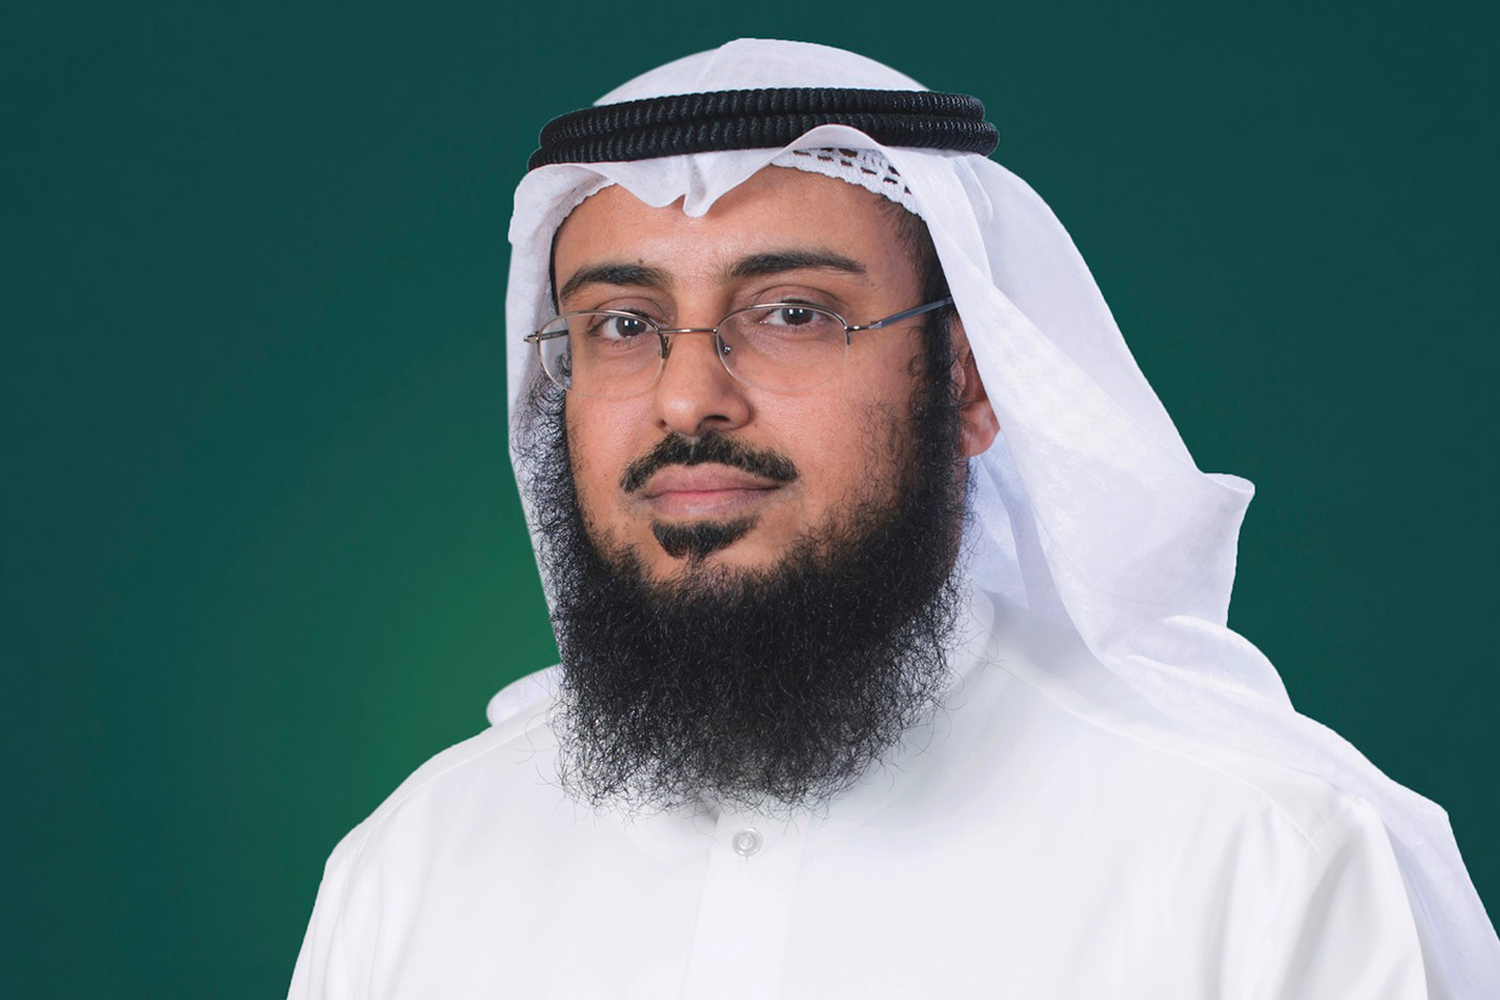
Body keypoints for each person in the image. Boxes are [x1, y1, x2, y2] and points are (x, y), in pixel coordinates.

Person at [288, 39, 1498, 998]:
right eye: (620, 325)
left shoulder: (1266, 856)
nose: (687, 396)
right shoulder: (414, 868)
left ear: (966, 379)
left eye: (793, 312)